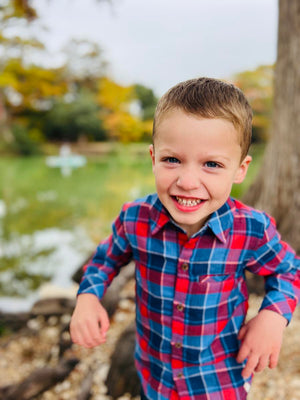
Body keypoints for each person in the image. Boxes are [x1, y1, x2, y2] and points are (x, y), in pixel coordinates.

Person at [70, 77, 300, 400]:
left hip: (217, 381)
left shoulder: (250, 230)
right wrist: (88, 297)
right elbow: (104, 259)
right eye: (172, 160)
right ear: (153, 158)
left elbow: (289, 271)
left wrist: (273, 317)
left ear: (240, 169)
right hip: (155, 376)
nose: (188, 181)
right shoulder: (135, 218)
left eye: (211, 164)